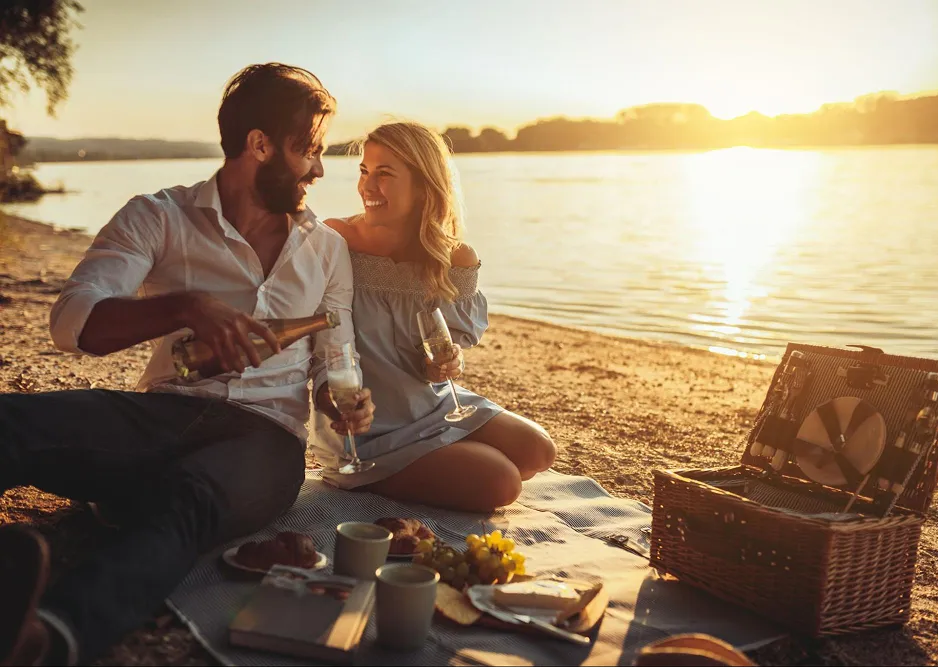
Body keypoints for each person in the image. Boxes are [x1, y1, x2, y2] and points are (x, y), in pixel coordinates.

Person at [0, 62, 374, 666]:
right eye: (309, 150)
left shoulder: (327, 248)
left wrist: (340, 400)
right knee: (13, 423)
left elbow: (337, 360)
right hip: (162, 412)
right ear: (259, 146)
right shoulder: (158, 216)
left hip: (266, 439)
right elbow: (72, 323)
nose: (319, 169)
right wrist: (185, 307)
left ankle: (47, 637)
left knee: (188, 506)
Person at [316, 121, 556, 513]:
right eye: (364, 172)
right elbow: (317, 339)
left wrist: (448, 361)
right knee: (501, 482)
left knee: (538, 451)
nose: (367, 187)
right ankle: (373, 475)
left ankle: (440, 455)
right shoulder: (335, 241)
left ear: (424, 184)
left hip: (432, 406)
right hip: (368, 428)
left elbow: (449, 348)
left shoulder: (455, 258)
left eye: (384, 174)